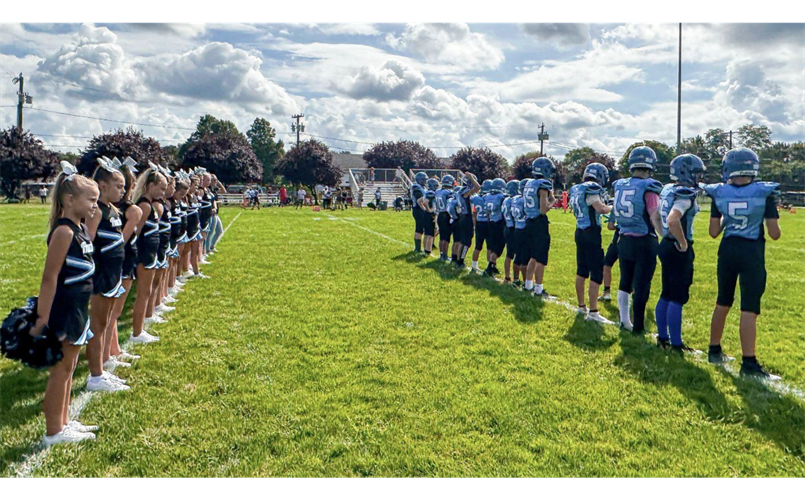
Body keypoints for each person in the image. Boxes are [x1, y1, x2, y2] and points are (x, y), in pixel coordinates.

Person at [34, 162, 100, 446]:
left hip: (78, 307)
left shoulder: (81, 227)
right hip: (63, 308)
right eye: (91, 200)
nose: (95, 205)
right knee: (60, 370)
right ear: (70, 200)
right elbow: (49, 279)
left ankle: (63, 421)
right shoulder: (64, 232)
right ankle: (53, 432)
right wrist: (41, 318)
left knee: (70, 367)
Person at [704, 148, 782, 379]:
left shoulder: (719, 192)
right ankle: (748, 362)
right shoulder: (764, 192)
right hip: (751, 252)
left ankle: (714, 349)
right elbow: (775, 233)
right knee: (749, 307)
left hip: (727, 250)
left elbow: (713, 232)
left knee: (723, 301)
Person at [85, 158, 130, 392]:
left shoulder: (113, 210)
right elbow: (88, 243)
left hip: (114, 274)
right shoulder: (96, 212)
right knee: (98, 325)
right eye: (118, 186)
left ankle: (103, 363)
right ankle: (95, 377)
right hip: (102, 274)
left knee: (106, 322)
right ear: (102, 186)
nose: (122, 191)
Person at [655, 154, 706, 353]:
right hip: (677, 246)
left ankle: (662, 337)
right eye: (696, 172)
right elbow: (673, 219)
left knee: (666, 292)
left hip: (666, 244)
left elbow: (655, 216)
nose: (698, 176)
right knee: (677, 296)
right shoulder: (684, 194)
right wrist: (683, 242)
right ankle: (676, 344)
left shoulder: (667, 189)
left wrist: (664, 235)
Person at [612, 146, 664, 334]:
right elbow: (654, 215)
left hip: (624, 239)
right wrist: (665, 235)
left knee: (625, 281)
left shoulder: (620, 185)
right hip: (644, 241)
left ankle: (625, 321)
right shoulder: (648, 187)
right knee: (641, 284)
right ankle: (639, 326)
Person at [569, 163, 612, 323]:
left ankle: (581, 306)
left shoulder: (577, 188)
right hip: (591, 233)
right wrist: (614, 208)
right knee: (596, 271)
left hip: (579, 231)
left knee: (581, 270)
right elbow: (599, 208)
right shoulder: (591, 188)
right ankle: (593, 311)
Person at [130, 167, 167, 345]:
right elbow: (135, 233)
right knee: (143, 293)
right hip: (144, 254)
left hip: (151, 254)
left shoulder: (151, 205)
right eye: (160, 188)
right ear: (150, 186)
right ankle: (137, 332)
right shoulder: (144, 205)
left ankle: (142, 325)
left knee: (147, 291)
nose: (163, 192)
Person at [522, 157, 557, 298]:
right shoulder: (543, 185)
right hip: (538, 223)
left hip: (528, 221)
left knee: (533, 256)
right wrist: (553, 201)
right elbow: (543, 209)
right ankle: (538, 288)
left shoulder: (529, 183)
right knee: (540, 258)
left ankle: (528, 285)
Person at [453, 172, 481, 269]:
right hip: (466, 218)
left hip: (462, 216)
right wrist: (472, 179)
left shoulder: (459, 191)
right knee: (467, 242)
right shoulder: (465, 191)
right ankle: (461, 261)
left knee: (462, 240)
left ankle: (458, 260)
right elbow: (478, 187)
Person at [484, 178, 507, 277]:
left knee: (492, 246)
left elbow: (487, 212)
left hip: (491, 222)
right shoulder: (501, 197)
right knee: (499, 247)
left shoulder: (487, 196)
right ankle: (490, 266)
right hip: (499, 223)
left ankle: (492, 266)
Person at [470, 180, 492, 272]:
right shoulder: (490, 198)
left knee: (478, 246)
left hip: (479, 223)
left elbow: (474, 212)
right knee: (489, 247)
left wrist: (474, 223)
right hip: (488, 223)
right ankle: (489, 267)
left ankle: (474, 266)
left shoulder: (476, 198)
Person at [511, 179, 529, 287]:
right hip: (524, 229)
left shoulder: (514, 199)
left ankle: (516, 279)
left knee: (517, 256)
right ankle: (526, 282)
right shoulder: (524, 200)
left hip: (516, 227)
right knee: (525, 258)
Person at [501, 180, 520, 284]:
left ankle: (507, 277)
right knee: (517, 255)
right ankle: (516, 278)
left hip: (507, 227)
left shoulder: (505, 200)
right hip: (514, 228)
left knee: (509, 254)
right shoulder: (515, 200)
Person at [435, 175, 455, 262]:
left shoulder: (438, 191)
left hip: (440, 214)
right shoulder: (449, 192)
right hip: (446, 215)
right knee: (446, 237)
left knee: (442, 236)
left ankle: (441, 254)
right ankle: (445, 255)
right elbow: (449, 205)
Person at [422, 178, 440, 256]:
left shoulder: (427, 192)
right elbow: (425, 203)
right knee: (430, 234)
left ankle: (425, 249)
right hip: (429, 215)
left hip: (426, 215)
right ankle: (428, 251)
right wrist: (430, 210)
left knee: (427, 234)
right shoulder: (431, 193)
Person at [411, 172, 429, 252]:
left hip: (419, 209)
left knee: (422, 228)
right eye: (423, 180)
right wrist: (424, 209)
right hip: (418, 210)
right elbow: (419, 200)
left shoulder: (422, 187)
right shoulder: (416, 187)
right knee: (419, 228)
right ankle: (417, 248)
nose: (425, 181)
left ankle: (420, 247)